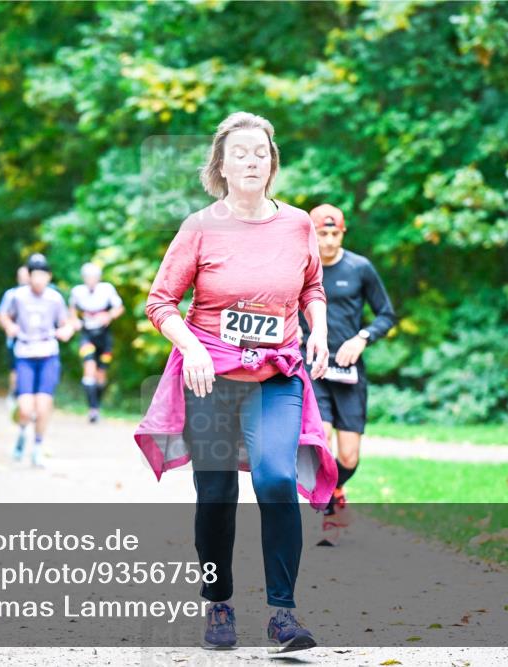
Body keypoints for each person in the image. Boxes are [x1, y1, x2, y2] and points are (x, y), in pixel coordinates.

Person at [133, 112, 338, 654]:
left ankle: (282, 614)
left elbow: (312, 287)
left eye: (261, 152)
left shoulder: (297, 225)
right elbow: (160, 303)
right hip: (211, 378)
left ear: (272, 163)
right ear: (221, 165)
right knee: (218, 491)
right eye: (240, 152)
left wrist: (319, 332)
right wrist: (193, 347)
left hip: (276, 375)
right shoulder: (200, 226)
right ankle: (219, 603)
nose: (252, 160)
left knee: (274, 479)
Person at [301, 204, 396, 543]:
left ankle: (336, 488)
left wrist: (362, 338)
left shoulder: (360, 268)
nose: (327, 241)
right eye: (321, 234)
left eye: (334, 234)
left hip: (350, 373)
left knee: (349, 456)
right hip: (313, 368)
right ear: (311, 233)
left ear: (343, 232)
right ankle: (327, 511)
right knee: (319, 439)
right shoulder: (300, 267)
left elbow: (386, 314)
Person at [0, 254, 74, 468]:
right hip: (25, 355)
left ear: (48, 277)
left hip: (48, 354)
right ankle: (22, 432)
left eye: (43, 275)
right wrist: (9, 327)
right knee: (25, 407)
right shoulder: (18, 296)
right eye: (35, 275)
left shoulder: (55, 298)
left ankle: (38, 447)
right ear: (28, 277)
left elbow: (66, 322)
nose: (39, 280)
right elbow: (3, 315)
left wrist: (66, 330)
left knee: (42, 407)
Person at [69, 262, 124, 422]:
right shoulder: (77, 291)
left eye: (93, 277)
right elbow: (72, 310)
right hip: (87, 335)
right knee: (89, 368)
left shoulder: (107, 289)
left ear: (98, 278)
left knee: (101, 375)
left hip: (104, 336)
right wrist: (74, 321)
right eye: (87, 277)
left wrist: (109, 316)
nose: (90, 280)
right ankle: (92, 409)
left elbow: (119, 308)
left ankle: (97, 406)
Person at [0, 265, 30, 413]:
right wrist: (10, 327)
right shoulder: (11, 295)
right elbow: (2, 315)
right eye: (21, 275)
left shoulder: (41, 295)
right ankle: (14, 393)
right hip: (16, 339)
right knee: (15, 368)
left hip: (36, 341)